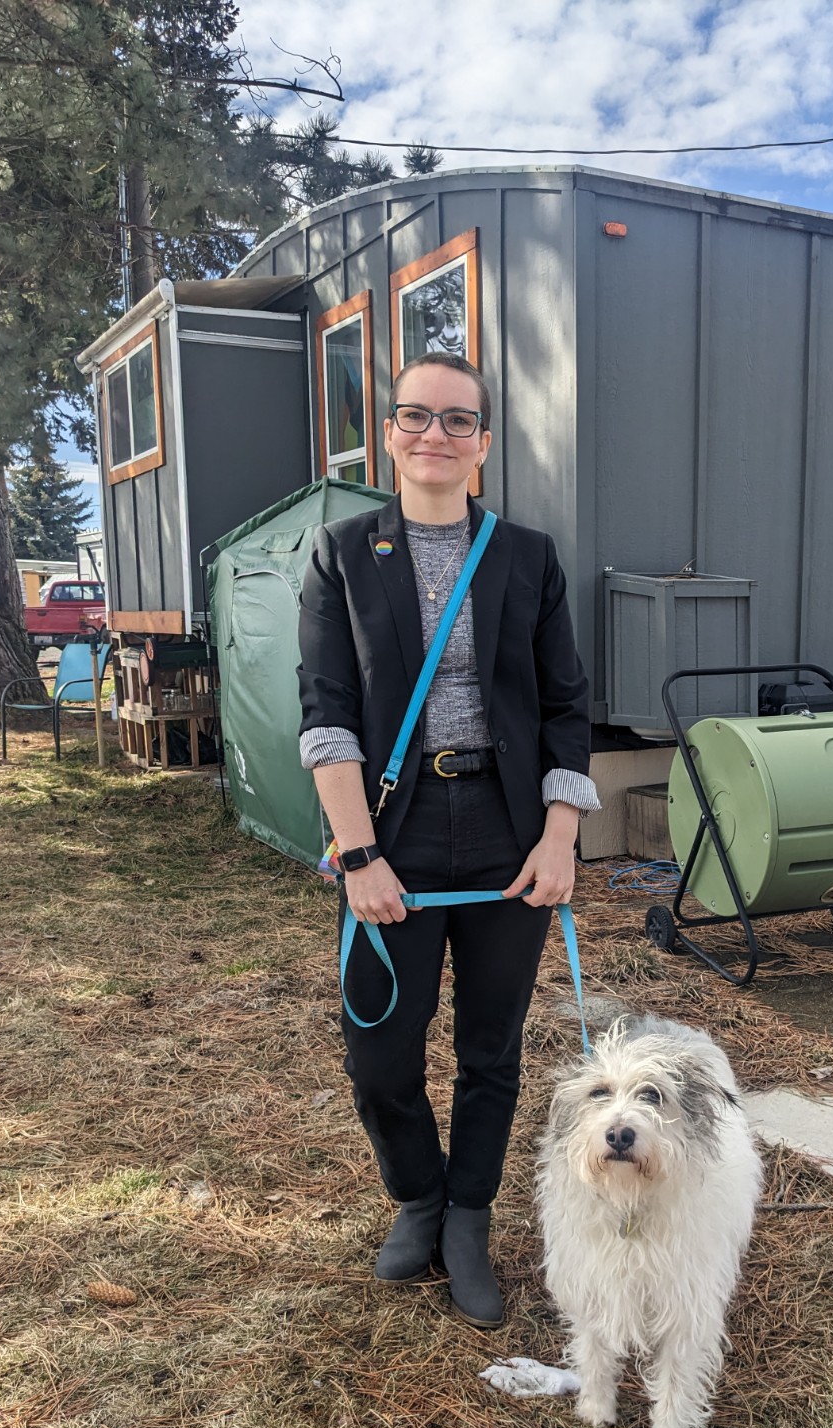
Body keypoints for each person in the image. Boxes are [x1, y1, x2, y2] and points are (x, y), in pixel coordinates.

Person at [297, 352, 598, 1328]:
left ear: (484, 441)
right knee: (380, 1056)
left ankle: (467, 1215)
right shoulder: (341, 554)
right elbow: (327, 715)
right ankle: (417, 1196)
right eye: (416, 415)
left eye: (458, 420)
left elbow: (565, 706)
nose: (436, 434)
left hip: (509, 830)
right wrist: (357, 855)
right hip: (398, 826)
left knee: (490, 1048)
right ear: (390, 430)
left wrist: (560, 840)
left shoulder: (527, 555)